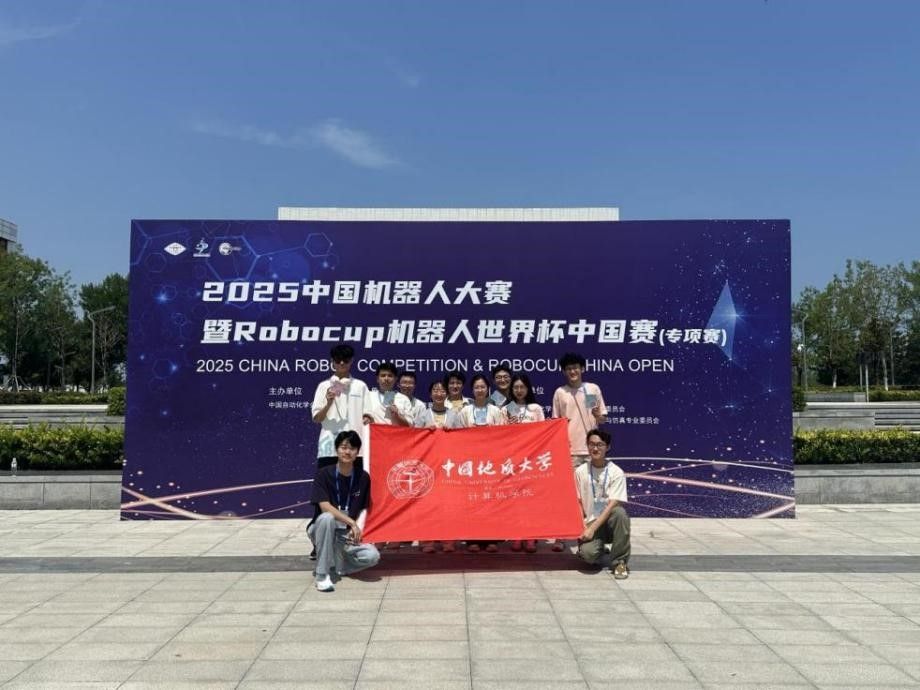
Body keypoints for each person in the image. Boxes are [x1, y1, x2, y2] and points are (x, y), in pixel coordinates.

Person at [308, 430, 380, 592]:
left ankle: (338, 565)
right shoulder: (323, 474)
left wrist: (357, 529)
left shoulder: (363, 477)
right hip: (323, 529)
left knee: (373, 556)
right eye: (343, 447)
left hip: (345, 536)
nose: (347, 452)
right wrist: (351, 522)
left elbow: (363, 509)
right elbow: (324, 507)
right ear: (336, 450)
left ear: (357, 452)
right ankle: (322, 575)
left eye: (352, 448)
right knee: (327, 518)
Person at [453, 374, 505, 553]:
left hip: (491, 464)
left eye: (483, 387)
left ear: (488, 389)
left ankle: (492, 538)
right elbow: (458, 436)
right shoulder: (465, 411)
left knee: (491, 500)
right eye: (476, 387)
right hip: (471, 463)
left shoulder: (496, 411)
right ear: (472, 390)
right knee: (472, 501)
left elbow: (503, 435)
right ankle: (472, 539)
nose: (480, 390)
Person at [574, 429, 630, 579]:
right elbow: (578, 501)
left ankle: (620, 562)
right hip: (590, 522)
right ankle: (599, 548)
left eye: (600, 445)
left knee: (620, 514)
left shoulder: (616, 472)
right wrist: (583, 526)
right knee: (588, 556)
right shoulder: (580, 471)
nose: (595, 448)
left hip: (608, 522)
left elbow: (612, 504)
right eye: (591, 444)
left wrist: (592, 529)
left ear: (608, 447)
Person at [311, 344, 374, 470]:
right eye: (338, 359)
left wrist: (367, 418)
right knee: (327, 482)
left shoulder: (360, 386)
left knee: (356, 482)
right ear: (332, 361)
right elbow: (317, 418)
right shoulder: (323, 386)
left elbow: (369, 416)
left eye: (345, 359)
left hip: (355, 449)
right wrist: (328, 403)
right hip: (329, 448)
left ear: (351, 361)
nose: (341, 363)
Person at [414, 380, 459, 554]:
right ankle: (427, 540)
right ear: (430, 394)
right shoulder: (423, 414)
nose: (439, 393)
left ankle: (448, 540)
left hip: (449, 467)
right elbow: (413, 438)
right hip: (428, 467)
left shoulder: (454, 414)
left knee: (449, 505)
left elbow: (464, 438)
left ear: (446, 394)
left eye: (442, 391)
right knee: (427, 504)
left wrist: (453, 433)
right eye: (435, 390)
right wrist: (424, 431)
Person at [503, 373, 545, 554]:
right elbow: (500, 436)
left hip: (531, 460)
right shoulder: (507, 409)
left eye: (522, 387)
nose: (519, 390)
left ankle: (531, 537)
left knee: (531, 500)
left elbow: (544, 432)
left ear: (528, 389)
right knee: (515, 500)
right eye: (516, 387)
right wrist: (509, 426)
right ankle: (516, 535)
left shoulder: (535, 408)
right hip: (513, 461)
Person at [552, 352, 608, 468]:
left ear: (582, 369)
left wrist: (597, 416)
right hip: (570, 450)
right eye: (569, 369)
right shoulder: (560, 392)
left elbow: (602, 419)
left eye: (575, 368)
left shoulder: (592, 389)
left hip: (592, 449)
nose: (572, 371)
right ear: (564, 372)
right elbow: (555, 423)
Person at [369, 362, 412, 426]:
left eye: (390, 376)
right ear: (377, 379)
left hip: (395, 432)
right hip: (374, 432)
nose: (386, 378)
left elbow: (409, 425)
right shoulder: (369, 396)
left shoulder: (404, 399)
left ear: (395, 379)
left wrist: (397, 416)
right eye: (383, 375)